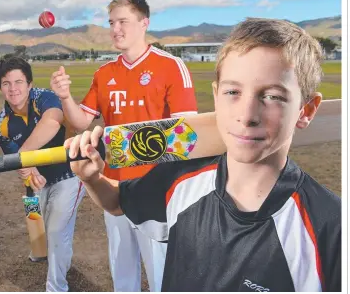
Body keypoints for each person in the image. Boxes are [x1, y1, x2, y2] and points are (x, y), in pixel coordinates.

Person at [64, 18, 341, 291]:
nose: (246, 115)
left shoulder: (332, 229)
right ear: (216, 95)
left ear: (306, 110)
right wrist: (92, 178)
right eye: (233, 91)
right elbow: (118, 202)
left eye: (273, 96)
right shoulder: (182, 179)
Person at [50, 0, 198, 292]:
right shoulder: (104, 74)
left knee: (160, 273)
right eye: (111, 23)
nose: (115, 29)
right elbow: (80, 122)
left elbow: (188, 133)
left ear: (144, 24)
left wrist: (126, 145)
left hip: (157, 188)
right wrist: (65, 97)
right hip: (113, 186)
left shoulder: (171, 66)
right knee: (122, 270)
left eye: (123, 22)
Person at [0, 57, 85, 292]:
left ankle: (56, 287)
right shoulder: (0, 124)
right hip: (39, 182)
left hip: (69, 173)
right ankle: (44, 255)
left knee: (56, 231)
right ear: (0, 87)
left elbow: (53, 121)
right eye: (6, 83)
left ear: (30, 84)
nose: (13, 89)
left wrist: (24, 155)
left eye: (19, 82)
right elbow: (16, 162)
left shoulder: (44, 97)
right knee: (42, 227)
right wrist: (29, 171)